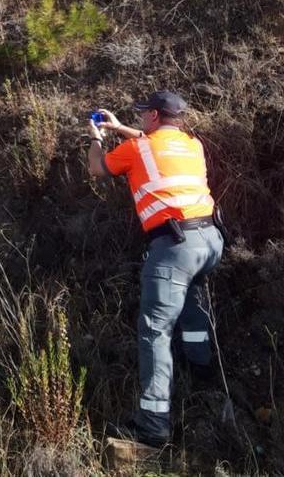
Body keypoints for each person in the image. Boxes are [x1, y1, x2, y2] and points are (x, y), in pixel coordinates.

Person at [86, 90, 223, 447]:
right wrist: (120, 127)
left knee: (155, 330)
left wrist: (98, 137)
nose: (142, 118)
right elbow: (153, 145)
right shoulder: (192, 144)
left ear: (153, 117)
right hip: (210, 241)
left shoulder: (139, 148)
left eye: (145, 113)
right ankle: (203, 372)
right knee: (194, 303)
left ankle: (152, 424)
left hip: (174, 247)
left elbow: (97, 168)